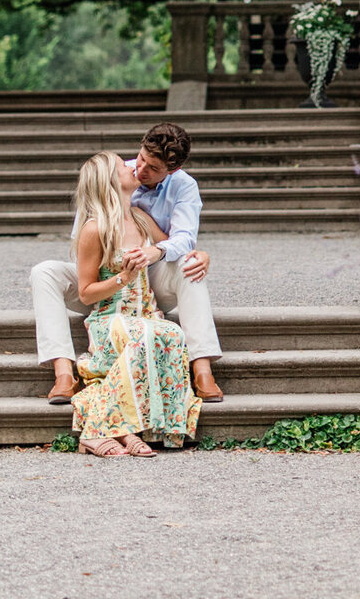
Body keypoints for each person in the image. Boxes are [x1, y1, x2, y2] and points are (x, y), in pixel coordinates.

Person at [30, 120, 224, 407]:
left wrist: (179, 253)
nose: (140, 170)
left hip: (149, 278)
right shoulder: (110, 174)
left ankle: (202, 369)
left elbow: (182, 239)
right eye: (141, 159)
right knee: (43, 272)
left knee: (189, 265)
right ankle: (62, 372)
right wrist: (114, 273)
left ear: (172, 171)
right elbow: (80, 245)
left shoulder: (183, 187)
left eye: (153, 169)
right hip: (101, 276)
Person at [69, 151, 202, 457]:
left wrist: (202, 255)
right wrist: (122, 279)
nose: (131, 168)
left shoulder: (141, 219)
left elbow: (174, 246)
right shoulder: (95, 229)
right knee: (141, 336)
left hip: (143, 314)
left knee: (171, 334)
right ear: (109, 181)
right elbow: (86, 293)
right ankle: (97, 431)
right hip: (109, 319)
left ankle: (134, 428)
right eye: (122, 167)